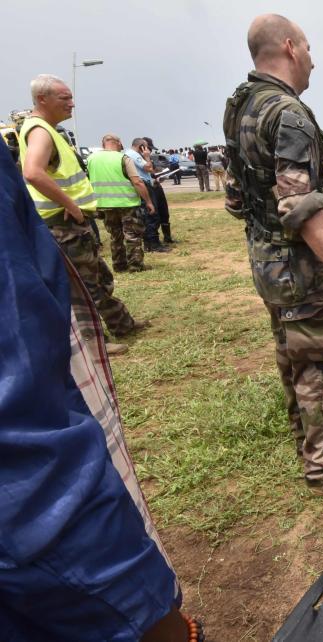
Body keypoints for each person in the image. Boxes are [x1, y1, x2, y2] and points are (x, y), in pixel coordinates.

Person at [0, 143, 198, 642]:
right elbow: (27, 449)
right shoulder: (45, 141)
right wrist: (150, 613)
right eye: (65, 96)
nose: (72, 101)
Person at [223, 13, 323, 500]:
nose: (313, 58)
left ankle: (309, 444)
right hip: (301, 268)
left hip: (268, 262)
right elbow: (299, 207)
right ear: (290, 47)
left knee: (294, 358)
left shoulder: (241, 105)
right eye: (308, 48)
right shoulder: (288, 114)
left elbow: (234, 196)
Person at [19, 74, 145, 351]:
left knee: (99, 276)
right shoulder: (40, 130)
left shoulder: (47, 129)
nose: (72, 104)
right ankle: (92, 342)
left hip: (72, 224)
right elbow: (32, 172)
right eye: (64, 98)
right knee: (83, 285)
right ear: (42, 99)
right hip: (63, 225)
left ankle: (122, 324)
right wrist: (71, 205)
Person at [87, 134, 152, 272]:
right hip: (127, 203)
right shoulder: (122, 158)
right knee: (132, 235)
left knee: (115, 236)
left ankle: (119, 265)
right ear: (118, 143)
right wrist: (148, 201)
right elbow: (137, 181)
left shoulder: (91, 159)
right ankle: (135, 265)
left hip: (104, 204)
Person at [126, 138, 169, 253]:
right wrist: (147, 156)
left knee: (146, 215)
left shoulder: (127, 154)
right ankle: (154, 244)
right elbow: (148, 168)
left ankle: (149, 243)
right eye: (145, 147)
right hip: (143, 184)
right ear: (141, 147)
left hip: (143, 183)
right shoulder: (134, 155)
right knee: (151, 214)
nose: (148, 150)